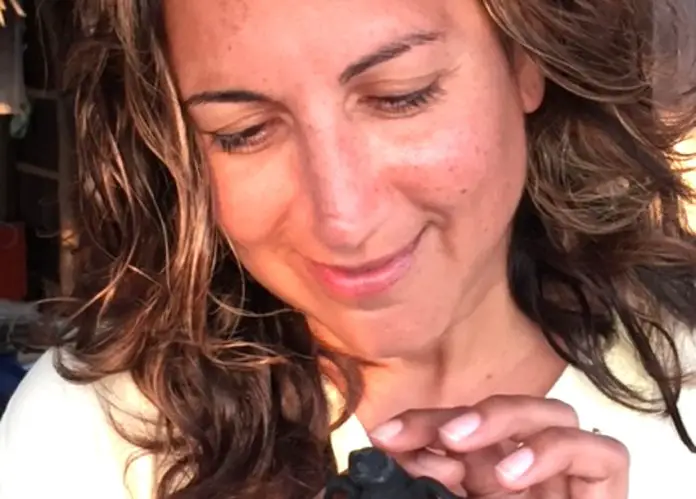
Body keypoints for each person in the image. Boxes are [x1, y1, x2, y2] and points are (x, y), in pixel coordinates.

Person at [1, 0, 696, 497]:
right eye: (242, 131)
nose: (343, 219)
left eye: (402, 96)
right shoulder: (88, 428)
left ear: (526, 62)